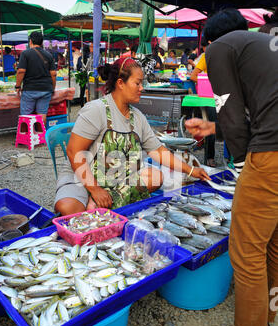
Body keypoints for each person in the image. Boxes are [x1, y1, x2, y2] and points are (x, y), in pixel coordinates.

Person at [185, 8, 278, 326]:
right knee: (272, 241)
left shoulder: (221, 48)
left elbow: (237, 118)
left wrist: (242, 171)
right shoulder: (262, 44)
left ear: (209, 41)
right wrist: (216, 130)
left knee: (247, 249)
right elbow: (256, 110)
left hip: (271, 154)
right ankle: (266, 317)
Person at [54, 56, 209, 215]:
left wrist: (190, 170)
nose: (141, 88)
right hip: (82, 176)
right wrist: (94, 189)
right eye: (138, 83)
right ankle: (99, 204)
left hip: (116, 180)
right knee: (68, 208)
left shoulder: (138, 117)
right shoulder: (96, 110)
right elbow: (74, 151)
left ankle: (101, 205)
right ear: (120, 83)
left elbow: (159, 151)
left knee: (155, 176)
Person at [15, 31, 56, 126]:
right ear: (41, 42)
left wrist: (17, 86)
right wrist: (52, 88)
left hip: (30, 89)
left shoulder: (25, 54)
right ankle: (40, 137)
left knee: (26, 116)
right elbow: (53, 74)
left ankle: (26, 139)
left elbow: (21, 71)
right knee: (42, 115)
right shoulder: (48, 55)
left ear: (30, 41)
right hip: (46, 89)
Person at [190, 37, 216, 167]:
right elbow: (193, 76)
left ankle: (232, 159)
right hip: (210, 98)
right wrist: (206, 82)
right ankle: (210, 157)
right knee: (211, 126)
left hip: (227, 96)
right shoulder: (206, 57)